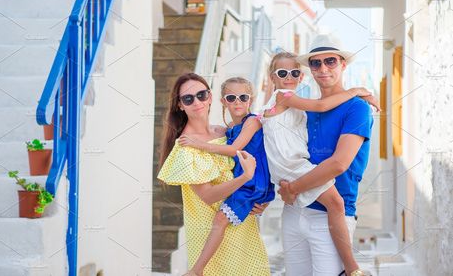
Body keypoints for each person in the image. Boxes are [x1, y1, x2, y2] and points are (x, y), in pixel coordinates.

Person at [259, 51, 378, 276]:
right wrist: (260, 195)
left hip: (328, 218)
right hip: (294, 209)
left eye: (330, 61)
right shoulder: (304, 108)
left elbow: (338, 164)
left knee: (336, 203)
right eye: (316, 63)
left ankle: (353, 270)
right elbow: (266, 146)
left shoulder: (357, 108)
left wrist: (292, 189)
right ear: (311, 70)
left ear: (343, 64)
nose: (323, 68)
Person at [157, 73, 271, 276]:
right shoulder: (186, 147)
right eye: (188, 98)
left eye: (201, 94)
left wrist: (261, 198)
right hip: (210, 238)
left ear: (210, 97)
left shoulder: (225, 133)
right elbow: (208, 196)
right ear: (180, 105)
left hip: (242, 229)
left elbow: (260, 157)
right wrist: (244, 178)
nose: (197, 102)